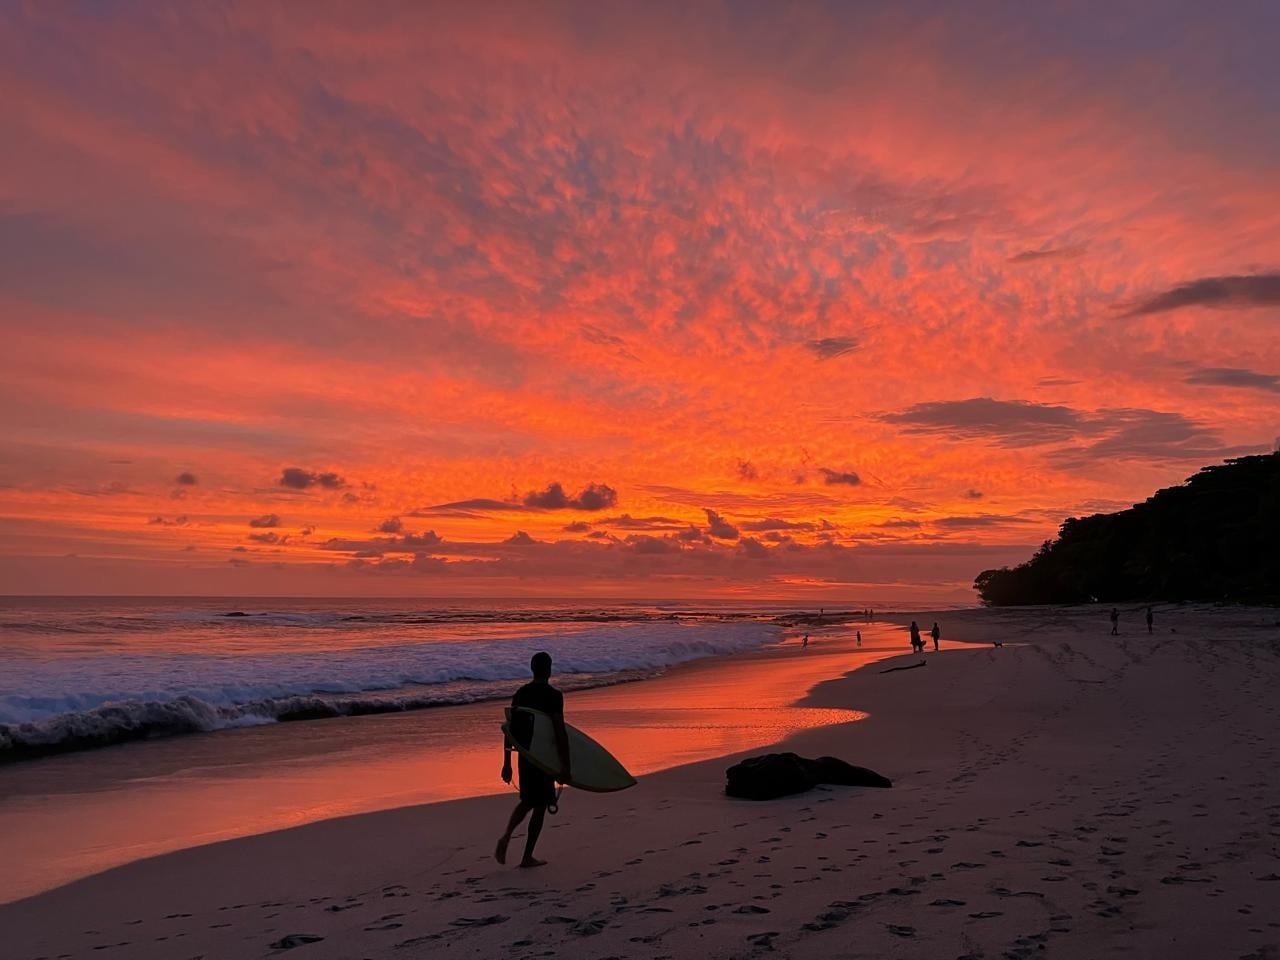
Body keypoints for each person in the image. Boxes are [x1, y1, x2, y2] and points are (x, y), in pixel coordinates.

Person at [497, 651, 570, 869]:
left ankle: (507, 834)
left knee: (528, 801)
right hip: (543, 758)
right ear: (549, 669)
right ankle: (527, 856)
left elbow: (510, 729)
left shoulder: (521, 693)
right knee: (540, 805)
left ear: (532, 669)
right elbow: (559, 732)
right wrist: (565, 765)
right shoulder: (554, 696)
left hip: (526, 755)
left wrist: (507, 762)